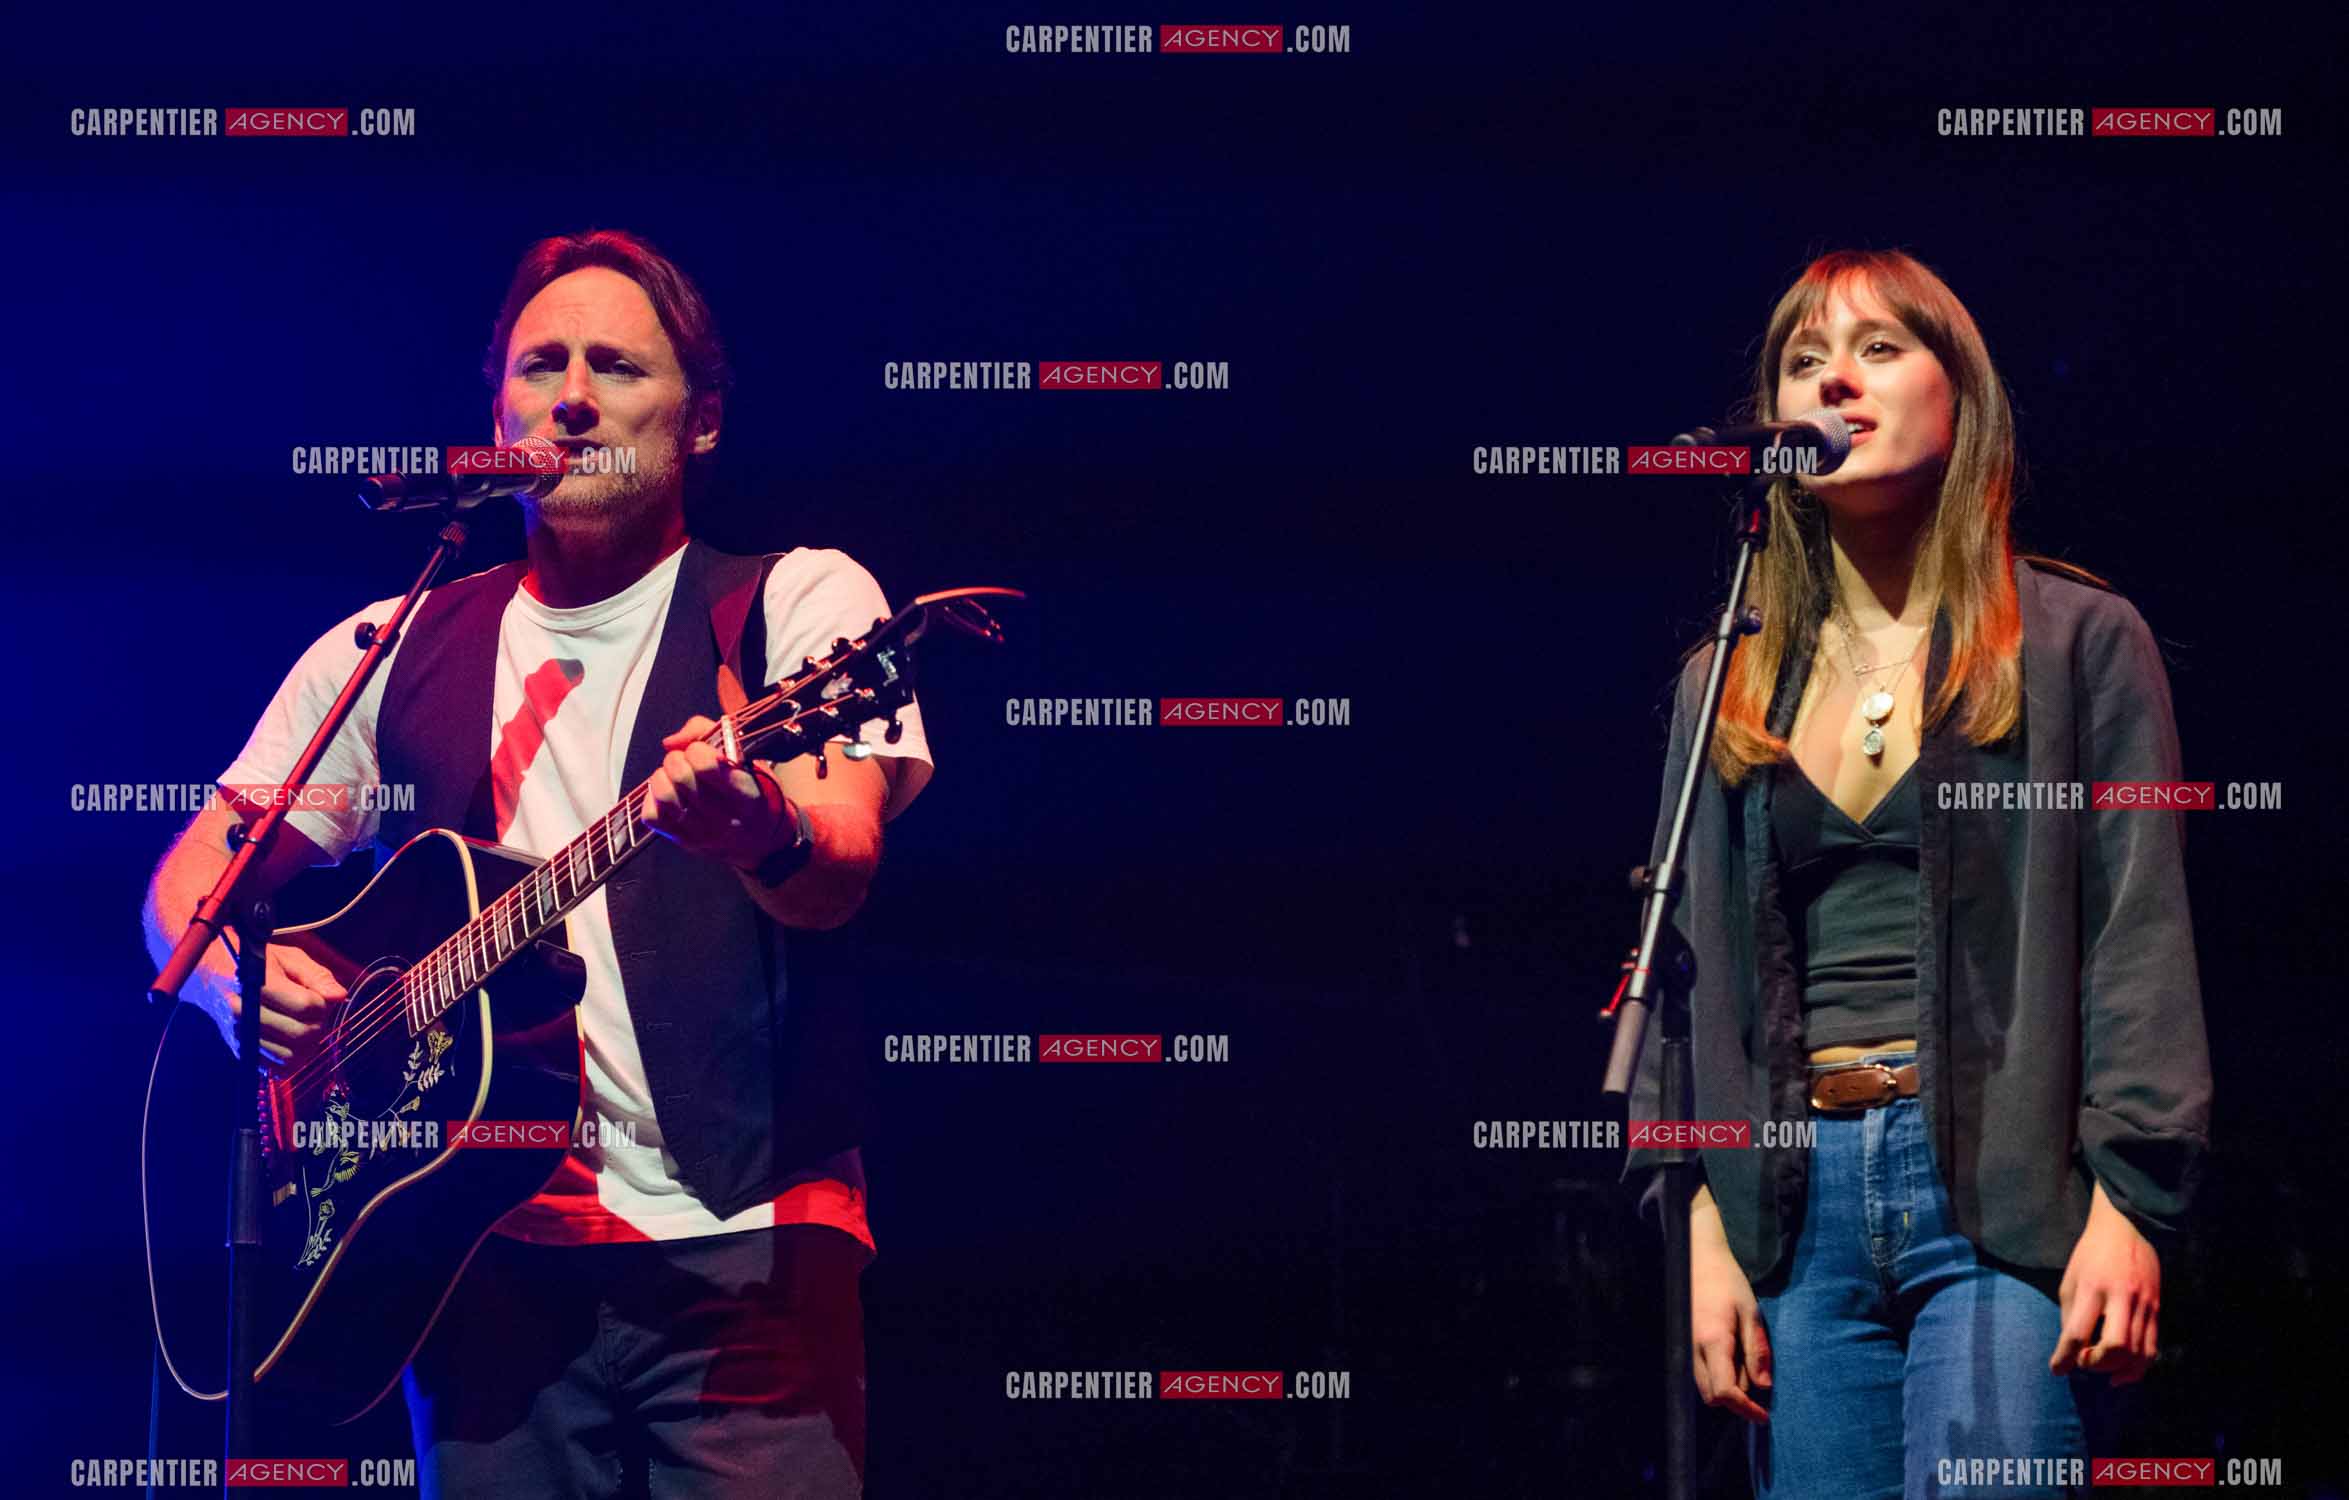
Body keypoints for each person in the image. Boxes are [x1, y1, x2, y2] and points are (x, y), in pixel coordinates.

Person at [141, 229, 929, 1498]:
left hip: (740, 1251)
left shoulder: (796, 602)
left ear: (702, 424)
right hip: (471, 1257)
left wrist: (754, 827)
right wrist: (233, 988)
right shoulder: (392, 640)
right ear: (495, 409)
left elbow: (839, 864)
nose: (571, 396)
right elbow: (190, 890)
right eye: (538, 366)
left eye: (616, 366)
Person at [1622, 249, 2211, 1499]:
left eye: (1881, 349)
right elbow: (1692, 980)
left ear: (1963, 398)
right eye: (1803, 362)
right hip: (1797, 1202)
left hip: (2003, 1189)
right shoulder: (1722, 680)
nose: (1837, 380)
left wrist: (2131, 1206)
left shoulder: (2073, 643)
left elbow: (2138, 932)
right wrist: (1708, 1234)